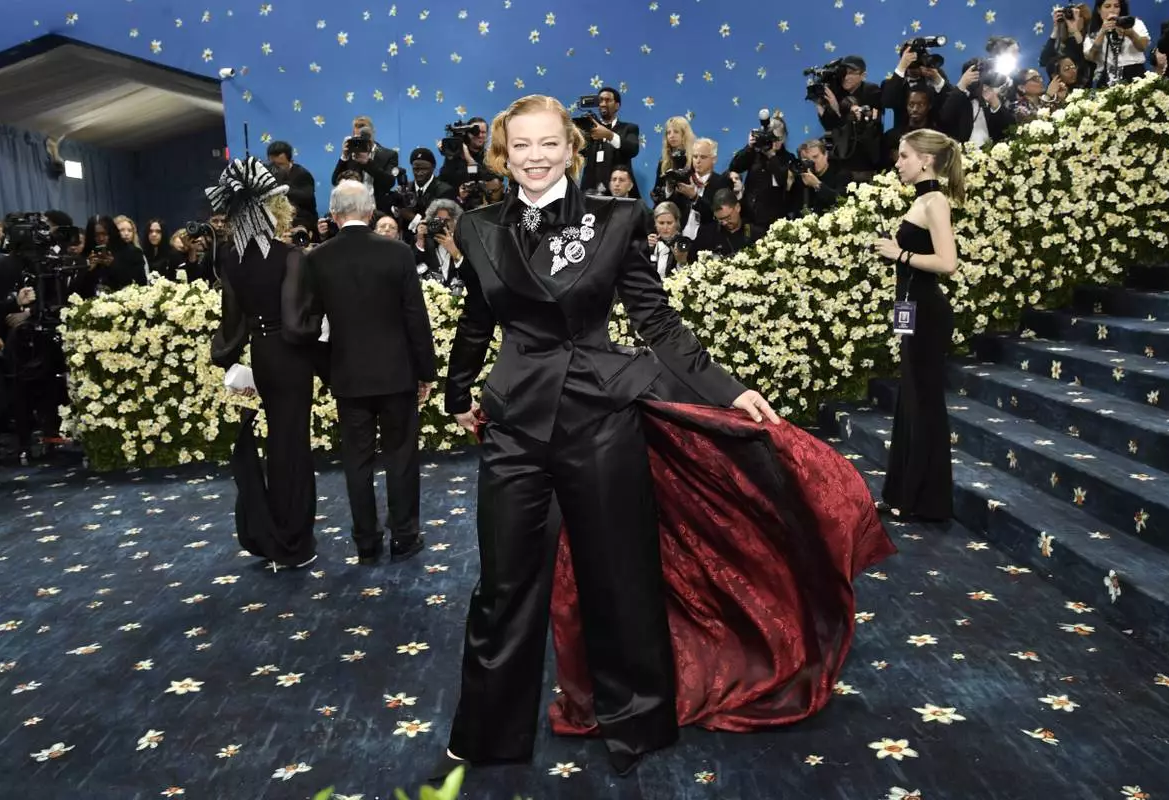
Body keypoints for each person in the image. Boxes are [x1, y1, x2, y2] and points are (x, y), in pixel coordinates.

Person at [437, 94, 895, 782]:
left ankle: (636, 718)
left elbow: (658, 323)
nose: (534, 157)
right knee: (503, 582)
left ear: (571, 149)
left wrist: (728, 388)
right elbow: (478, 317)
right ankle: (489, 730)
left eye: (547, 144)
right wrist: (457, 390)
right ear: (504, 151)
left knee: (617, 576)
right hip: (515, 426)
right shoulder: (476, 227)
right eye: (520, 145)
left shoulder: (617, 219)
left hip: (600, 418)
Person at [301, 180, 437, 565]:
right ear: (371, 209)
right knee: (401, 456)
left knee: (356, 462)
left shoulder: (317, 259)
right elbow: (416, 318)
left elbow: (311, 327)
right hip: (396, 374)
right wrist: (425, 370)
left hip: (348, 376)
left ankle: (365, 541)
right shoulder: (397, 253)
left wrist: (329, 373)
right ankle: (405, 537)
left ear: (333, 214)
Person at [209, 157, 320, 569]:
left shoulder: (232, 262)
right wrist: (320, 332)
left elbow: (231, 329)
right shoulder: (290, 256)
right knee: (293, 447)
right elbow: (295, 325)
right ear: (274, 210)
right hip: (290, 359)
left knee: (279, 443)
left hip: (262, 355)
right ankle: (293, 542)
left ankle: (281, 534)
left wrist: (230, 366)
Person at [872, 130, 962, 522]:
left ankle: (925, 502)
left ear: (926, 159)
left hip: (927, 312)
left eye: (905, 156)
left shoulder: (935, 201)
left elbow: (948, 262)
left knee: (923, 405)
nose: (898, 163)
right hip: (913, 309)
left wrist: (900, 253)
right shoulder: (924, 200)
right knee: (911, 402)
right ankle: (905, 496)